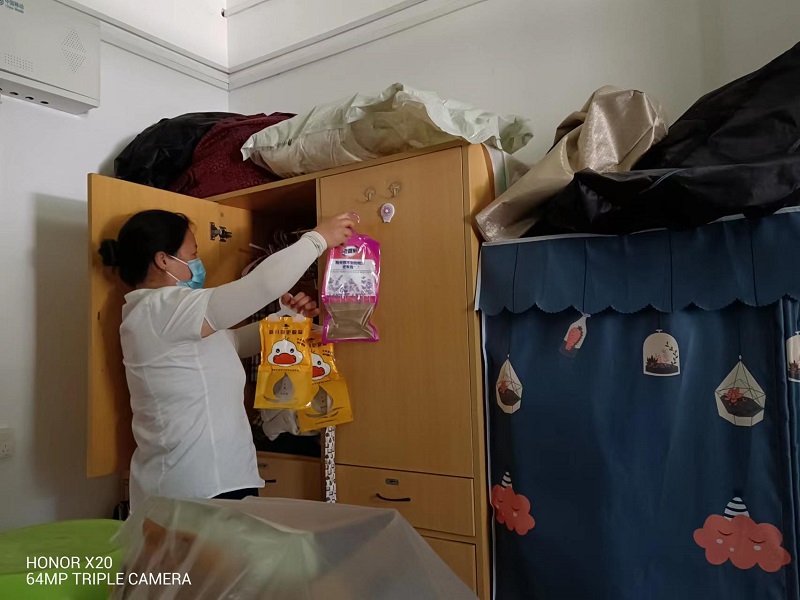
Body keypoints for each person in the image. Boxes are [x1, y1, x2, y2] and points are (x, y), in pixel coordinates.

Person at [98, 210, 355, 510]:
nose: (198, 263)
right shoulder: (159, 309)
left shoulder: (166, 316)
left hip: (217, 480)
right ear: (163, 260)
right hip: (193, 488)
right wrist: (318, 239)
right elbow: (262, 285)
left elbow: (233, 343)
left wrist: (286, 320)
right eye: (193, 254)